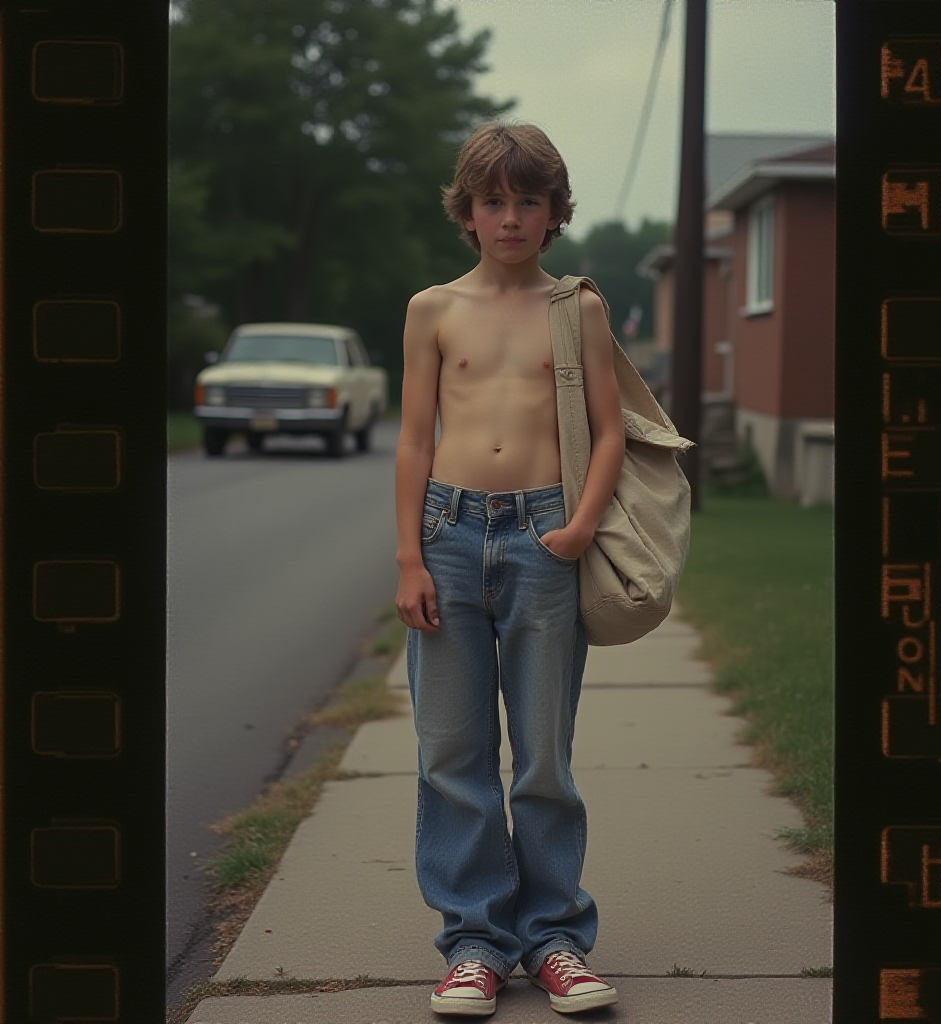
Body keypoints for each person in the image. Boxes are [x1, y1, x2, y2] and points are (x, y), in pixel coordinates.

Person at [394, 120, 625, 1017]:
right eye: (495, 201)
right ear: (469, 211)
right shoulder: (433, 309)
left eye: (530, 201)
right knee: (451, 753)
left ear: (553, 211)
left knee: (542, 758)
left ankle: (557, 936)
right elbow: (416, 436)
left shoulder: (578, 308)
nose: (512, 217)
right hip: (448, 534)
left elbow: (609, 430)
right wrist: (410, 554)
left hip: (544, 539)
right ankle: (475, 944)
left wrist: (579, 523)